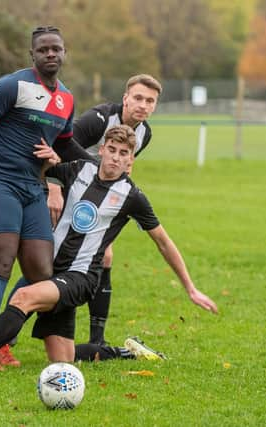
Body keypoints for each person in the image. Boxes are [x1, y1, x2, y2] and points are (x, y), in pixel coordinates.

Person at [0, 125, 218, 371]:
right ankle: (127, 352)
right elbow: (42, 171)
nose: (116, 157)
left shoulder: (132, 197)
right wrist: (45, 160)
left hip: (80, 277)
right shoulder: (79, 169)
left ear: (130, 159)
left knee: (24, 296)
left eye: (123, 153)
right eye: (112, 150)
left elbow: (163, 242)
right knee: (64, 359)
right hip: (50, 270)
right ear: (101, 150)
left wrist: (191, 288)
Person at [0, 25, 93, 371]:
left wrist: (100, 166)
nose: (50, 54)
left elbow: (62, 143)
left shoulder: (67, 98)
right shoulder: (11, 85)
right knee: (0, 266)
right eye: (43, 49)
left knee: (41, 272)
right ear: (32, 55)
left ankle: (0, 340)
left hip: (34, 187)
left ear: (64, 53)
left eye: (56, 49)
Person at [47, 74, 162, 347]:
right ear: (125, 98)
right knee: (46, 259)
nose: (142, 105)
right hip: (60, 186)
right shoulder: (98, 119)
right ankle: (9, 334)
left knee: (103, 256)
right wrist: (52, 188)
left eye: (150, 101)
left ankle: (96, 340)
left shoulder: (144, 134)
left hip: (92, 198)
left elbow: (119, 171)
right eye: (137, 98)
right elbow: (59, 145)